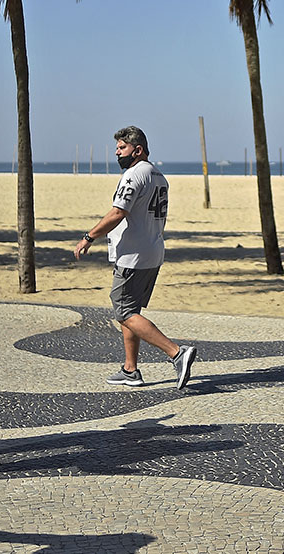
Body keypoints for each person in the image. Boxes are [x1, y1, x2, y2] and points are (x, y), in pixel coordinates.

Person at [73, 126, 195, 389]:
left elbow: (118, 212)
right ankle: (130, 370)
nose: (117, 153)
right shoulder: (158, 175)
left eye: (122, 148)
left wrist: (89, 237)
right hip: (152, 251)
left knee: (125, 311)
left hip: (134, 256)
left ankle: (177, 353)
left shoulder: (134, 175)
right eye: (117, 148)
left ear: (138, 150)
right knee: (131, 311)